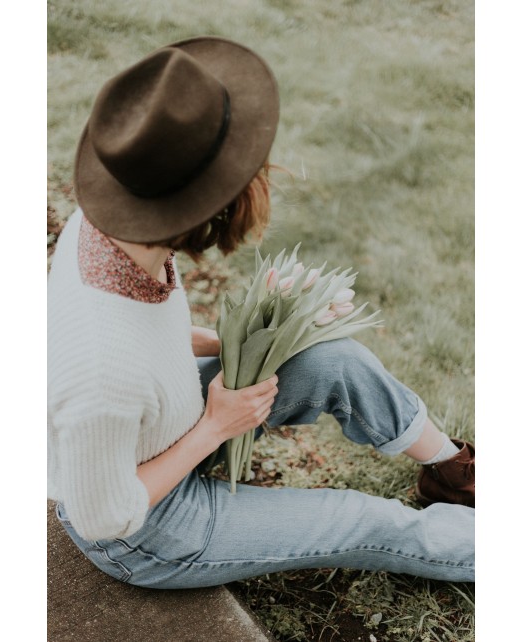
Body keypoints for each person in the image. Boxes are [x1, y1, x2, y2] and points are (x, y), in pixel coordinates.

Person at [48, 36, 474, 589]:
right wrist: (213, 429)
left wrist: (255, 342)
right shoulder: (102, 370)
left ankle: (453, 471)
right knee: (359, 519)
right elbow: (103, 516)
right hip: (151, 529)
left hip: (163, 427)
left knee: (330, 360)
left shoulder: (111, 230)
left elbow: (151, 336)